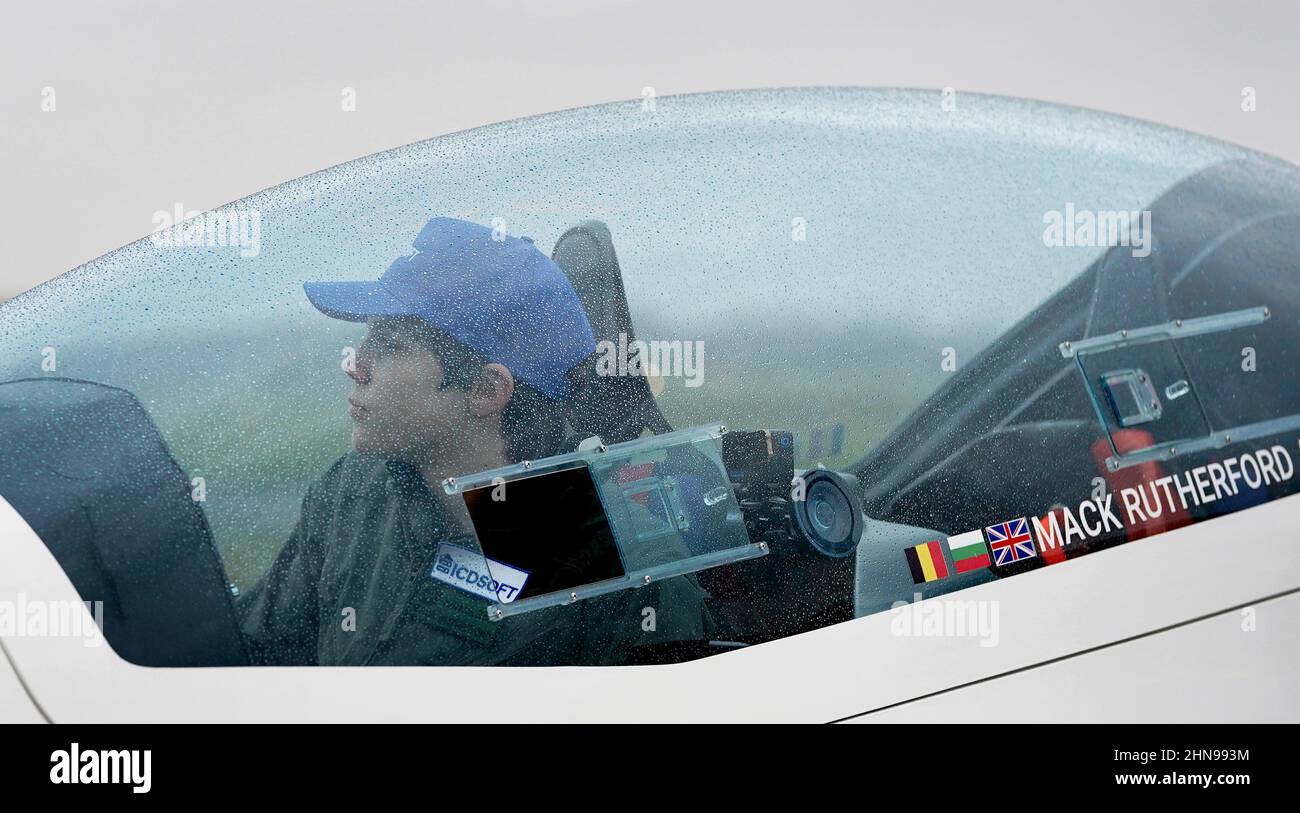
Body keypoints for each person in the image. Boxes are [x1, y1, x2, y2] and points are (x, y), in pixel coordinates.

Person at [237, 217, 707, 666]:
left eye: (393, 344)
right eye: (367, 338)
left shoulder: (624, 569)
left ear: (485, 391)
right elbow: (253, 654)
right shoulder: (352, 490)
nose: (355, 364)